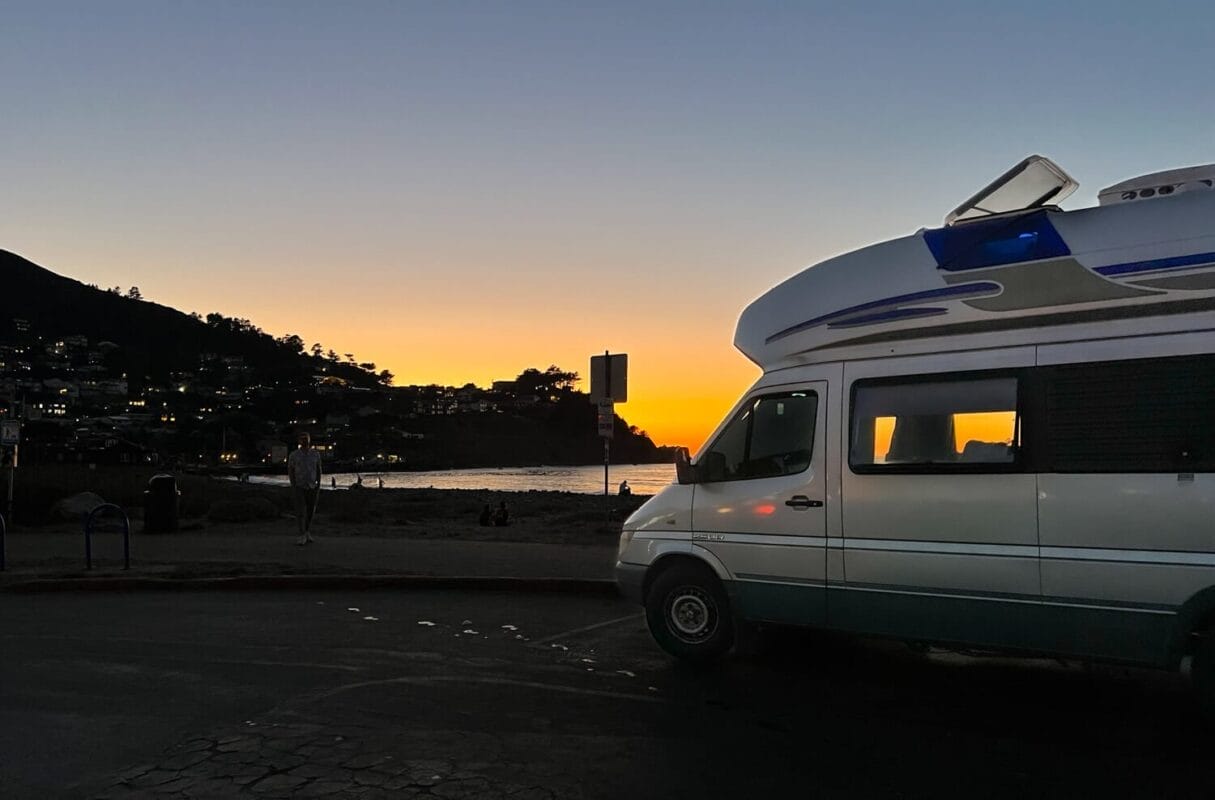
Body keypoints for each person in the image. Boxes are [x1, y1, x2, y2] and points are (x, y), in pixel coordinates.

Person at [287, 432, 322, 545]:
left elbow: (318, 469)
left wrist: (318, 484)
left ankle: (307, 531)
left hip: (312, 485)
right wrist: (293, 484)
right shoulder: (294, 455)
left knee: (311, 510)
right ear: (299, 441)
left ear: (309, 440)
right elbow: (291, 470)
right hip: (299, 485)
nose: (304, 441)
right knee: (301, 510)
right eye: (302, 439)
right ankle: (301, 534)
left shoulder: (315, 454)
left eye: (306, 438)